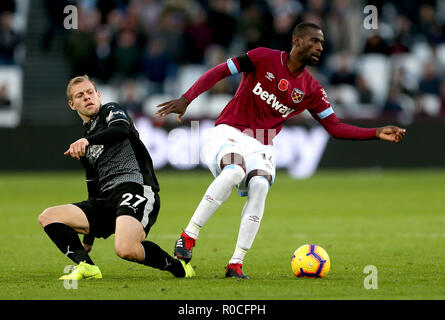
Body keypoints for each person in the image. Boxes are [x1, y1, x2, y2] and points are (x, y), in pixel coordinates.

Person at [156, 22, 406, 279]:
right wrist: (186, 99)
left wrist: (374, 132)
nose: (320, 47)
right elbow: (221, 71)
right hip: (227, 132)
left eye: (321, 42)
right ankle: (188, 236)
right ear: (297, 41)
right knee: (233, 171)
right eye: (314, 41)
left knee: (260, 186)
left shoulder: (312, 89)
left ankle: (236, 264)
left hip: (262, 143)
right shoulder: (263, 57)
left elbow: (335, 127)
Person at [38, 75, 195, 280]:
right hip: (105, 200)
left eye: (90, 92)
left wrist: (87, 141)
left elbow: (120, 131)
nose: (87, 97)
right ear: (72, 104)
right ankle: (87, 266)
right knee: (48, 216)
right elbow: (93, 186)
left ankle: (179, 268)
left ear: (98, 95)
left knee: (125, 249)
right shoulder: (86, 140)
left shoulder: (110, 111)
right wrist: (89, 237)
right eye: (80, 95)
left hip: (135, 188)